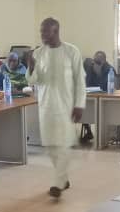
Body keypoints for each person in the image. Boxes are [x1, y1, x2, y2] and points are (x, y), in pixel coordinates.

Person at [26, 18, 85, 198]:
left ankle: (58, 184)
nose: (42, 35)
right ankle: (64, 179)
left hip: (66, 105)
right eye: (41, 31)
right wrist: (31, 65)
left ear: (56, 31)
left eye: (46, 32)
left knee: (63, 144)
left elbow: (80, 80)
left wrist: (79, 104)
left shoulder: (71, 51)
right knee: (50, 145)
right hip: (46, 106)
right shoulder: (38, 53)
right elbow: (32, 81)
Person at [82, 51, 115, 142]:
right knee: (83, 107)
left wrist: (99, 73)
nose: (95, 63)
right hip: (92, 97)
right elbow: (87, 85)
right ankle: (88, 130)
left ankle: (107, 135)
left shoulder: (109, 69)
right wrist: (93, 71)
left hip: (106, 100)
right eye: (95, 61)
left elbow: (106, 87)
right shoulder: (90, 69)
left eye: (98, 61)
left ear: (104, 61)